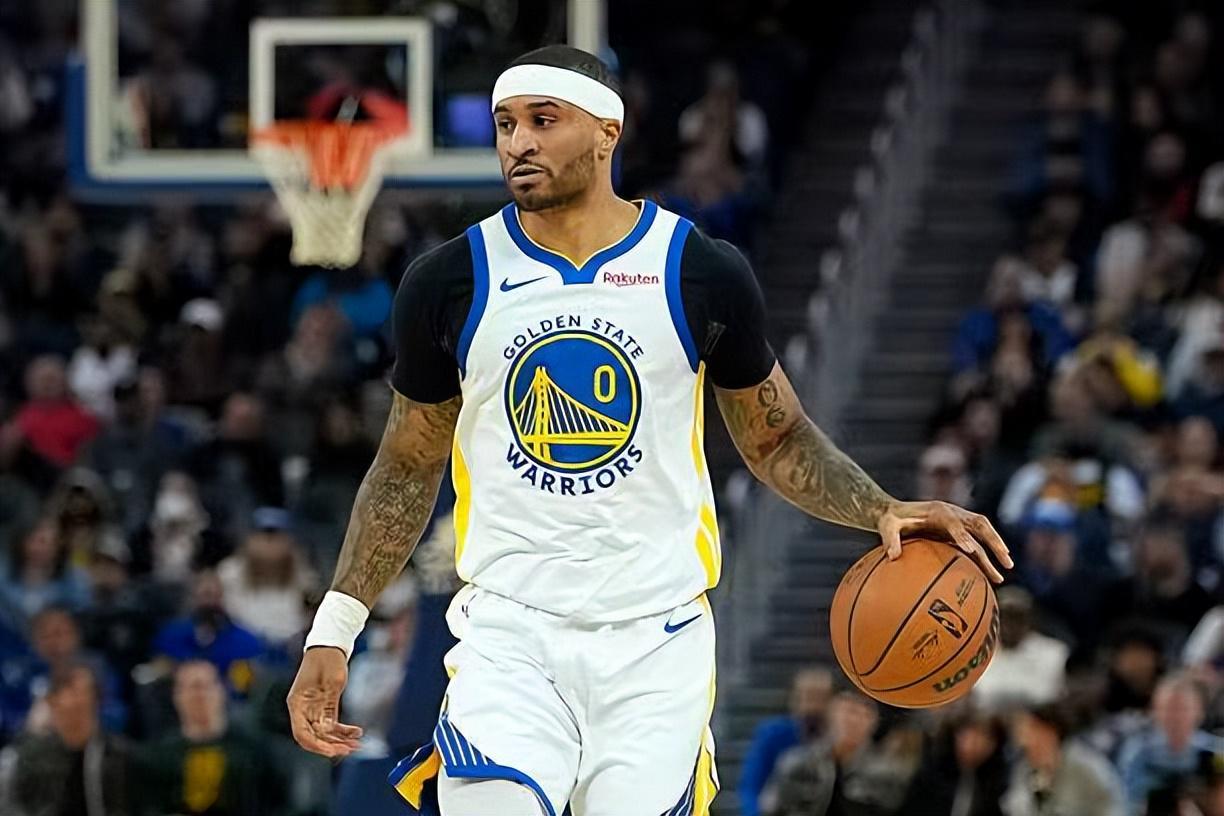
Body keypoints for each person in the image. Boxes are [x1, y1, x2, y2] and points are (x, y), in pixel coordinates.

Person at [286, 45, 1011, 816]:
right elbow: (406, 466)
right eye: (506, 124)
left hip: (656, 644)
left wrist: (882, 507)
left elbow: (776, 438)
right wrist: (335, 628)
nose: (518, 142)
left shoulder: (697, 270)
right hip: (509, 634)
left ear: (607, 132)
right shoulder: (449, 281)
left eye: (543, 120)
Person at [134, 660, 282, 816]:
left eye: (207, 686)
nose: (201, 695)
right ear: (176, 696)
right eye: (193, 688)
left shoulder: (254, 751)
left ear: (221, 691)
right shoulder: (158, 756)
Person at [4, 663, 131, 816]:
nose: (80, 700)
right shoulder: (31, 757)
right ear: (52, 701)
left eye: (86, 693)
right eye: (73, 692)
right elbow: (15, 806)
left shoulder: (118, 754)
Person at [760, 690, 911, 816]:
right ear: (831, 715)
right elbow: (771, 808)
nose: (854, 721)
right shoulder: (797, 762)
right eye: (849, 711)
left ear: (874, 722)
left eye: (865, 714)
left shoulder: (887, 774)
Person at [1117, 675, 1224, 814]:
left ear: (1200, 711)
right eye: (1169, 708)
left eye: (1183, 709)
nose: (1176, 717)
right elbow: (1128, 800)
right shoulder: (1138, 752)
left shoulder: (1215, 751)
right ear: (1154, 711)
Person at [739, 667, 834, 816]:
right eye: (809, 696)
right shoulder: (773, 734)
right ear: (795, 699)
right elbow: (751, 786)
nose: (814, 706)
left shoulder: (837, 739)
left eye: (821, 698)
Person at [1001, 703, 1125, 816]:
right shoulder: (1025, 768)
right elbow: (1016, 805)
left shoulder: (1084, 764)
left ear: (1050, 731)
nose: (1023, 739)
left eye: (1030, 729)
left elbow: (1114, 804)